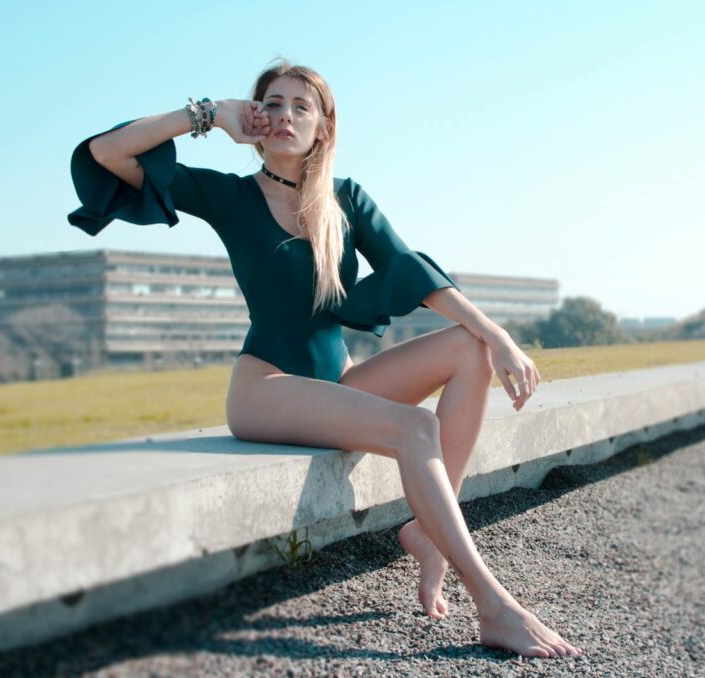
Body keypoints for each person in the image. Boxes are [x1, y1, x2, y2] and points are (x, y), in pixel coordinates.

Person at [67, 58, 582, 659]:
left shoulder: (345, 201)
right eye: (273, 104)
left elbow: (409, 268)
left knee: (468, 347)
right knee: (417, 426)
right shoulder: (229, 195)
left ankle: (430, 536)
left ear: (324, 128)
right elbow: (107, 155)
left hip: (335, 383)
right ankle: (494, 604)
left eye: (301, 106)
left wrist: (497, 335)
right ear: (257, 119)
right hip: (266, 388)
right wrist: (208, 115)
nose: (285, 115)